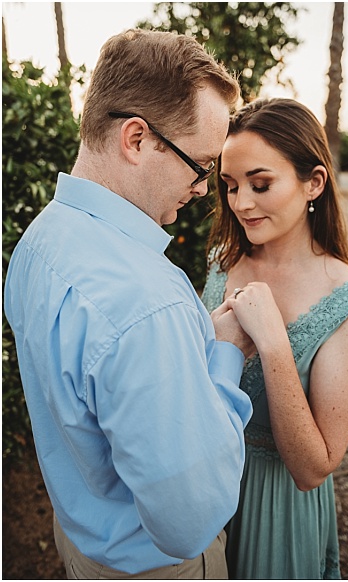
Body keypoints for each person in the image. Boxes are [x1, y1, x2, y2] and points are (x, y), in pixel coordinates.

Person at [3, 29, 257, 578]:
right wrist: (224, 354)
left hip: (80, 536)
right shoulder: (148, 302)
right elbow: (189, 519)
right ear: (137, 139)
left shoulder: (38, 242)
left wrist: (184, 348)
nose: (202, 188)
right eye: (202, 164)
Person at [201, 97, 348, 579]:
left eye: (260, 185)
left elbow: (313, 468)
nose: (240, 203)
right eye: (230, 185)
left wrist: (274, 344)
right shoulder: (222, 260)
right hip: (200, 487)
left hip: (273, 511)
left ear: (314, 183)